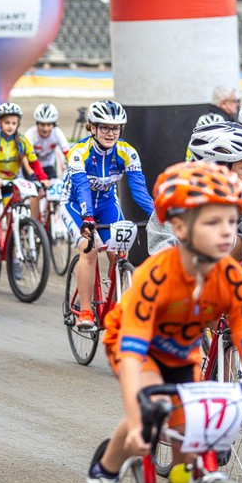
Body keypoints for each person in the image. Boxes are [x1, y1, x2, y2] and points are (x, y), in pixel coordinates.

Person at [84, 161, 242, 483]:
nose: (227, 233)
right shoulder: (158, 275)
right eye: (213, 223)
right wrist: (138, 419)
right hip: (138, 347)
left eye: (232, 222)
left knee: (191, 447)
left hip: (183, 350)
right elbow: (134, 354)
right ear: (180, 226)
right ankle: (104, 476)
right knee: (152, 413)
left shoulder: (233, 278)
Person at [61, 100, 154, 328]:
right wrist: (88, 218)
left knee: (119, 251)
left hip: (106, 203)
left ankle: (117, 305)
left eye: (115, 128)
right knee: (90, 249)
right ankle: (85, 312)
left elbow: (139, 190)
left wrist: (157, 214)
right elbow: (82, 188)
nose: (110, 133)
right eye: (104, 127)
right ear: (92, 128)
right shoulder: (78, 152)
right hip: (75, 204)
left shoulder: (127, 152)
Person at [148, 121, 242, 269]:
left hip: (219, 272)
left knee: (238, 242)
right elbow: (162, 244)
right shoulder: (177, 194)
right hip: (179, 271)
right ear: (219, 167)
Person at [0, 102, 50, 235]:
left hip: (12, 181)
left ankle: (13, 244)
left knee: (13, 214)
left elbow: (34, 163)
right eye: (7, 122)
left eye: (14, 123)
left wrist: (43, 179)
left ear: (18, 124)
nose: (10, 126)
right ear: (0, 123)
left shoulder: (23, 141)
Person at [25, 103, 70, 179]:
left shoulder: (57, 132)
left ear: (54, 125)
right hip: (31, 166)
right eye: (42, 125)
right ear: (37, 124)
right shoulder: (30, 134)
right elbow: (24, 158)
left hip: (48, 165)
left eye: (49, 125)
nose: (45, 129)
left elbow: (67, 152)